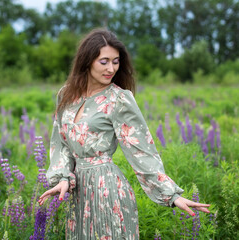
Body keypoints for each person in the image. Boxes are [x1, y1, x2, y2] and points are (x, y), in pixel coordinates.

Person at [38, 28, 210, 239]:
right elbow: (60, 143)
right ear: (87, 61)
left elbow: (142, 151)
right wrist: (63, 178)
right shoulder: (66, 95)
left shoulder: (119, 99)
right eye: (104, 61)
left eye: (116, 61)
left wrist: (171, 195)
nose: (111, 68)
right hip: (77, 195)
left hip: (108, 193)